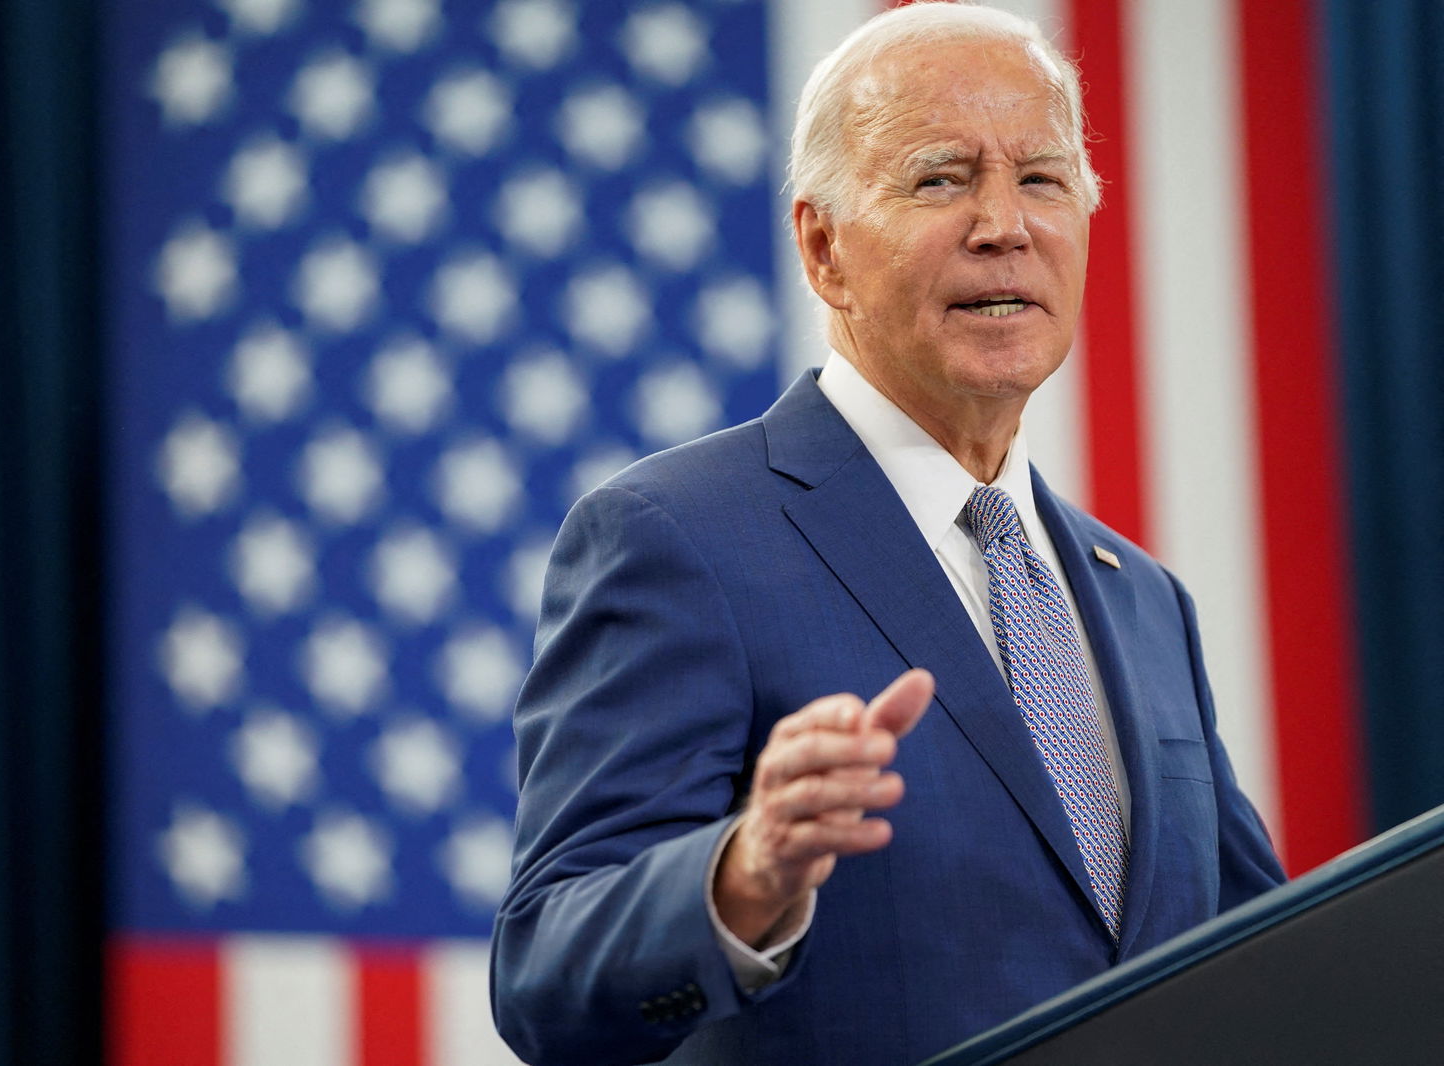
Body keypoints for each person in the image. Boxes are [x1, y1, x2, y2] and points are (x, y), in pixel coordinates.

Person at [490, 4, 1286, 1064]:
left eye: (1041, 178)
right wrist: (743, 878)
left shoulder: (1141, 596)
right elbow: (545, 973)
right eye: (941, 179)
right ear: (822, 249)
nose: (1004, 223)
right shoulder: (677, 537)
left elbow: (1260, 959)